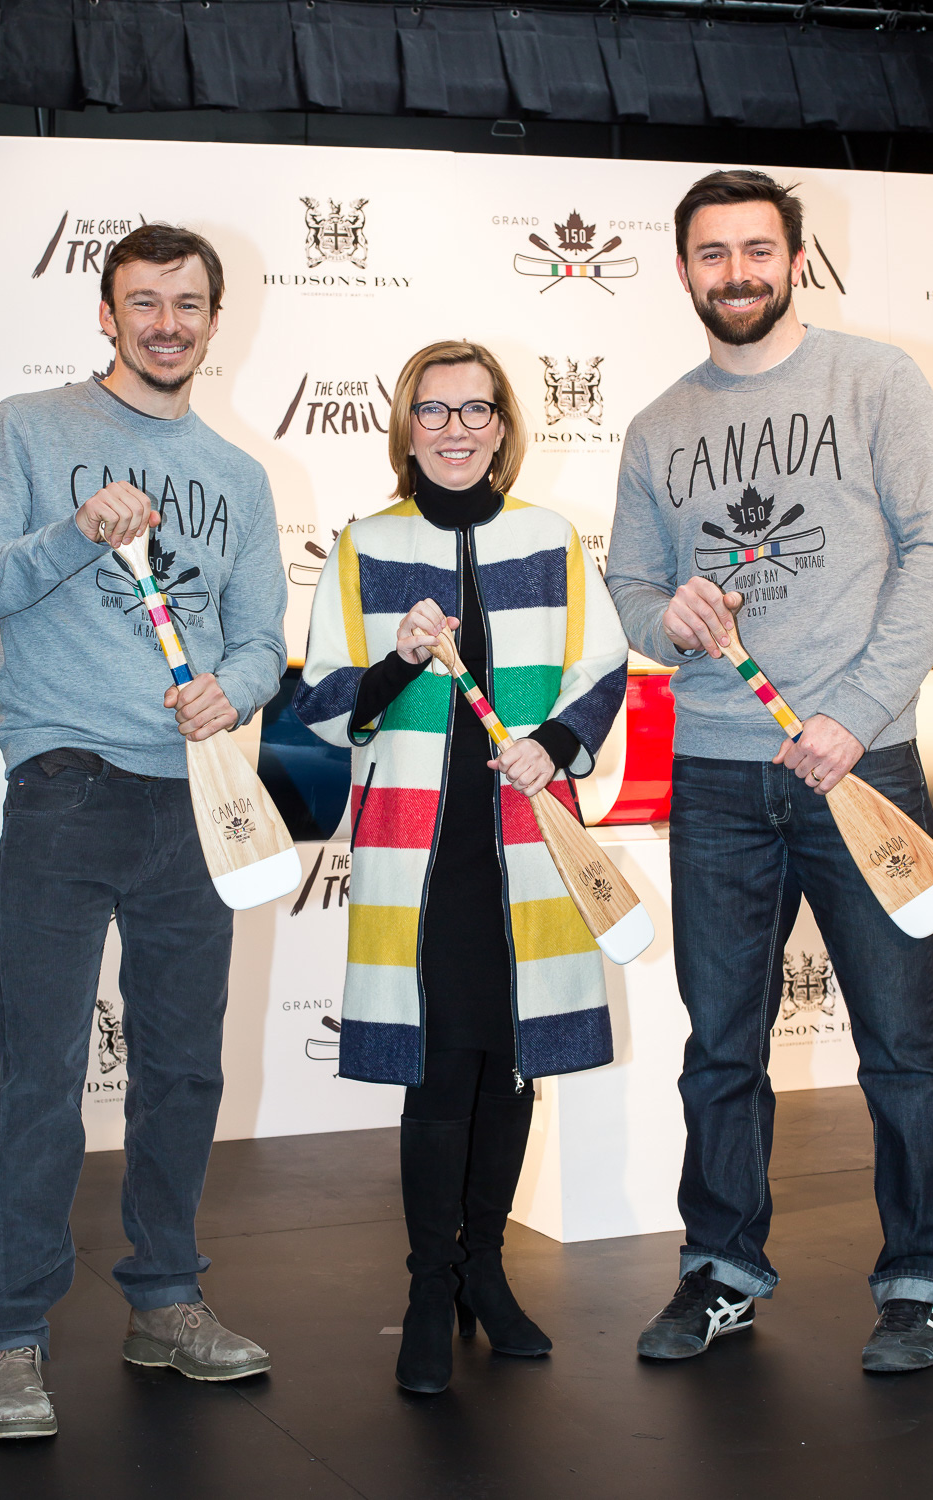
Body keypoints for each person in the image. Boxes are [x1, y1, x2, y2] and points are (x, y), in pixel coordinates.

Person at [606, 170, 933, 1374]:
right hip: (717, 775)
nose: (737, 273)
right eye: (713, 254)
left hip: (860, 769)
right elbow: (633, 589)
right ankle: (720, 1269)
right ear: (684, 270)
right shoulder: (657, 426)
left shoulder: (876, 381)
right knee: (721, 1047)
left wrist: (854, 717)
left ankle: (919, 1283)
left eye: (757, 250)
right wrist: (669, 619)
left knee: (903, 1045)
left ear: (797, 260)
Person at [0, 223, 288, 1438]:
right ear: (106, 313)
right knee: (39, 1073)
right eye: (145, 302)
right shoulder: (31, 432)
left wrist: (232, 691)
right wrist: (72, 533)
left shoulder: (238, 476)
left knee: (183, 1068)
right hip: (65, 783)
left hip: (195, 796)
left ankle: (166, 1300)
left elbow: (261, 637)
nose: (167, 324)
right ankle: (11, 1339)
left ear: (214, 320)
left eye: (188, 303)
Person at [294, 340, 628, 1393]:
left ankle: (486, 1269)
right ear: (407, 426)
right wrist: (397, 658)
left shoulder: (549, 537)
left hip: (526, 842)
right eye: (433, 411)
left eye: (474, 410)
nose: (454, 429)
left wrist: (556, 745)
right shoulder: (366, 544)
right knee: (440, 1073)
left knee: (510, 1065)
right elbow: (323, 703)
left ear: (502, 425)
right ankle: (427, 1291)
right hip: (419, 853)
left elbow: (602, 667)